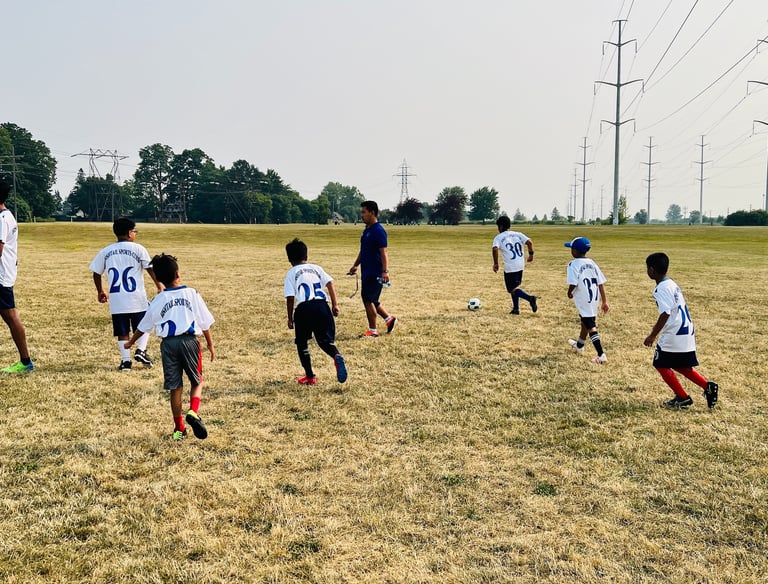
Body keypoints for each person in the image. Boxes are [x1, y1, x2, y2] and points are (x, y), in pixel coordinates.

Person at [125, 253, 215, 441]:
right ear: (178, 274)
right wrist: (210, 343)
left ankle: (179, 429)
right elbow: (204, 321)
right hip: (189, 341)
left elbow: (144, 325)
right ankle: (193, 412)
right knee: (197, 381)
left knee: (175, 387)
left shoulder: (159, 299)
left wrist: (132, 341)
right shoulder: (191, 293)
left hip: (168, 345)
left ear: (158, 279)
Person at [643, 252, 718, 409]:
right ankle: (708, 386)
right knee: (681, 366)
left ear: (651, 270)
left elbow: (665, 313)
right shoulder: (672, 284)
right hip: (686, 331)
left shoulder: (661, 289)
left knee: (660, 364)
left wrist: (652, 335)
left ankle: (682, 397)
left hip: (674, 333)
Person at [89, 217, 162, 371]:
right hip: (136, 298)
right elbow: (149, 268)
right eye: (134, 231)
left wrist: (100, 291)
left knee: (122, 331)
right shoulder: (138, 249)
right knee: (146, 323)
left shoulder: (106, 251)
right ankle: (141, 350)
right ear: (129, 233)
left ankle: (126, 362)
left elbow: (96, 272)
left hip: (117, 300)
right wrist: (159, 285)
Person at [284, 238, 347, 385]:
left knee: (302, 343)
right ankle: (336, 355)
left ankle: (310, 376)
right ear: (306, 256)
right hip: (322, 306)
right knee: (325, 341)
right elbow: (330, 283)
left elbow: (290, 297)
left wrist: (290, 318)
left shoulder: (291, 273)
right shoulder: (316, 268)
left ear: (289, 259)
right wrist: (335, 304)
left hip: (304, 309)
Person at [347, 200, 397, 337]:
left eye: (364, 212)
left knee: (368, 299)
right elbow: (363, 251)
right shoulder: (367, 231)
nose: (361, 215)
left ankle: (373, 331)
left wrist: (385, 271)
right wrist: (355, 265)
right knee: (372, 299)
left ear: (372, 213)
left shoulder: (378, 231)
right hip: (366, 271)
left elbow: (384, 252)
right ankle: (389, 319)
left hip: (375, 272)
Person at [0, 181, 33, 373]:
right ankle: (25, 361)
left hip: (1, 276)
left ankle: (26, 362)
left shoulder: (2, 219)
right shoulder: (7, 216)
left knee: (11, 317)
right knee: (10, 317)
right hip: (5, 273)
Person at [565, 237, 609, 364]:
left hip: (584, 298)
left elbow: (573, 282)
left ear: (575, 251)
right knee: (585, 322)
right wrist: (604, 301)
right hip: (594, 298)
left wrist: (569, 292)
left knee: (590, 326)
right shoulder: (592, 263)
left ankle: (601, 355)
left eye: (571, 248)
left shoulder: (573, 264)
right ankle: (579, 345)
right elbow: (600, 283)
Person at [492, 215, 537, 314]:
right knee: (515, 287)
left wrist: (495, 263)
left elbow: (495, 249)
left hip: (510, 266)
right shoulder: (518, 234)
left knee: (512, 289)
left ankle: (530, 298)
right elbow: (529, 242)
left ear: (500, 226)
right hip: (520, 264)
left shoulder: (498, 237)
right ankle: (516, 309)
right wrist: (531, 255)